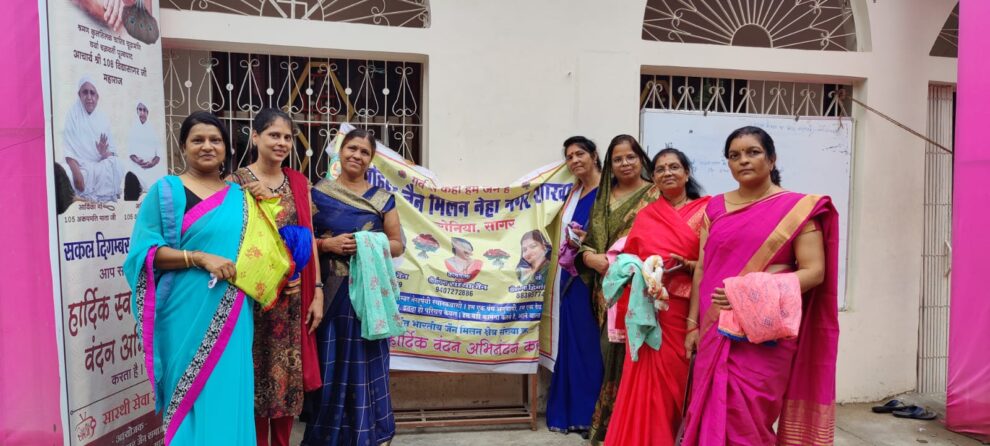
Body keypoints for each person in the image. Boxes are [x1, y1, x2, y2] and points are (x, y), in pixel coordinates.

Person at [679, 126, 839, 445]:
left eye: (753, 152)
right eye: (734, 155)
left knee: (748, 417)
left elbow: (814, 272)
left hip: (765, 335)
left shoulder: (795, 209)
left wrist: (746, 293)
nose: (743, 160)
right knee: (711, 411)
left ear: (771, 158)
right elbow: (703, 270)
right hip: (714, 328)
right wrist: (692, 324)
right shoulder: (714, 208)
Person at [123, 111, 261, 445]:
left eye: (215, 140)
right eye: (197, 140)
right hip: (181, 313)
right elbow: (143, 254)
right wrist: (197, 257)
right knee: (188, 399)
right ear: (183, 147)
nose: (207, 146)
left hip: (232, 312)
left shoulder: (242, 199)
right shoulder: (165, 191)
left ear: (226, 149)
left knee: (228, 392)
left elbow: (261, 255)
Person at [303, 128, 405, 446]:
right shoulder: (317, 193)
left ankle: (367, 432)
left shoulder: (382, 199)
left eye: (364, 152)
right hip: (328, 291)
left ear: (370, 160)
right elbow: (303, 240)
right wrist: (327, 244)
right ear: (340, 151)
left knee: (365, 361)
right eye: (352, 149)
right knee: (330, 361)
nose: (356, 156)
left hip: (368, 296)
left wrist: (365, 242)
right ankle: (327, 436)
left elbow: (398, 245)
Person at [228, 109, 323, 446]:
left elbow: (309, 237)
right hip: (251, 298)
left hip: (291, 299)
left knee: (285, 379)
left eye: (287, 137)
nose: (281, 142)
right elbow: (230, 240)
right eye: (274, 135)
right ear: (255, 137)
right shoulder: (235, 184)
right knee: (253, 376)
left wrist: (317, 290)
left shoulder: (299, 182)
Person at [604, 148, 711, 446]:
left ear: (687, 173)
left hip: (688, 310)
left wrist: (689, 265)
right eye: (660, 169)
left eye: (674, 167)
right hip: (650, 311)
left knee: (680, 381)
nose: (667, 173)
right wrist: (637, 269)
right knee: (649, 387)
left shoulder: (708, 210)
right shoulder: (646, 216)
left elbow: (715, 261)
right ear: (654, 178)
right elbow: (630, 258)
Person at [577, 134, 658, 444]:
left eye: (630, 157)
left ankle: (638, 429)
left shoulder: (656, 194)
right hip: (607, 291)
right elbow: (589, 241)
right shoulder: (604, 196)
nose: (625, 163)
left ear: (641, 159)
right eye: (618, 159)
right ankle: (612, 426)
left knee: (640, 358)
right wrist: (589, 257)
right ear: (609, 164)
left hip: (642, 289)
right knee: (609, 351)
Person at [545, 136, 604, 435]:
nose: (575, 160)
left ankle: (595, 413)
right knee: (573, 344)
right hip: (571, 278)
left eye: (580, 153)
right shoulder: (572, 194)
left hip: (599, 279)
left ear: (594, 155)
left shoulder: (611, 191)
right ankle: (573, 413)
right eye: (569, 157)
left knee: (594, 347)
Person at [63, 76, 123, 202]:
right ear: (79, 95)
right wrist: (77, 173)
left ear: (97, 97)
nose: (89, 97)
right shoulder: (72, 115)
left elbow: (112, 152)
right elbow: (68, 151)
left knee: (117, 164)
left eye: (92, 93)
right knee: (66, 173)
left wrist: (103, 153)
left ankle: (98, 196)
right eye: (85, 92)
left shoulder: (103, 118)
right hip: (79, 166)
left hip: (97, 166)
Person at [126, 102, 162, 195]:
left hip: (152, 168)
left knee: (156, 187)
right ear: (137, 111)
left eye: (145, 110)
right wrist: (138, 161)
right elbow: (130, 153)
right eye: (140, 109)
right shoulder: (132, 129)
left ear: (147, 113)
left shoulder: (153, 130)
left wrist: (152, 163)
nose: (142, 112)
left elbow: (158, 154)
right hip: (136, 167)